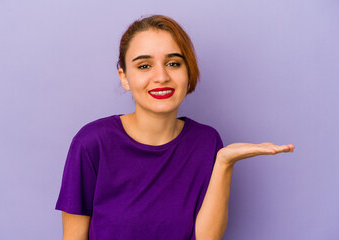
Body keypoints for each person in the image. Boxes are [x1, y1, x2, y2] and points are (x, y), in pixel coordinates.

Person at [55, 14, 295, 240]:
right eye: (144, 66)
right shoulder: (91, 143)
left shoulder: (207, 141)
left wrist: (224, 162)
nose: (161, 77)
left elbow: (206, 238)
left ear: (188, 72)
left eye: (173, 63)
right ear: (124, 77)